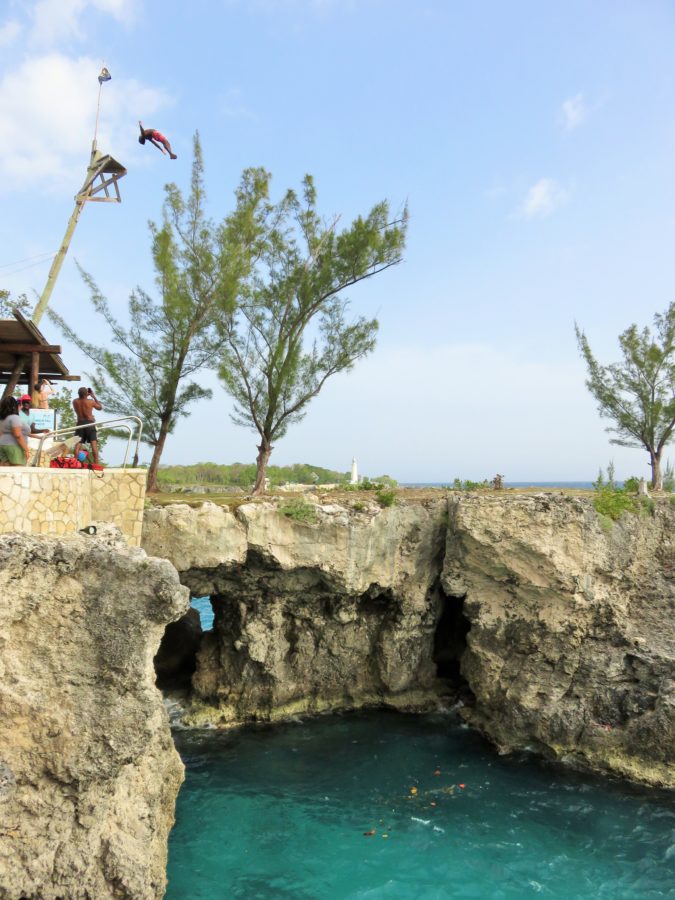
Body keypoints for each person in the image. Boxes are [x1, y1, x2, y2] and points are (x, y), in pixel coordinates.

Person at [73, 387, 103, 465]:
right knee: (93, 444)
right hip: (90, 424)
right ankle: (96, 463)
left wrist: (85, 395)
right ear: (87, 394)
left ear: (78, 394)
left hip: (80, 424)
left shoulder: (75, 401)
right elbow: (100, 407)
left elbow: (82, 399)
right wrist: (93, 396)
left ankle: (75, 463)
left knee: (78, 444)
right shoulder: (91, 401)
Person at [0, 396, 31, 466]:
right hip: (14, 447)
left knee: (4, 471)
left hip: (2, 445)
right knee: (17, 471)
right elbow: (17, 435)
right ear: (14, 406)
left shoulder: (2, 419)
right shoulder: (14, 418)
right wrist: (26, 449)